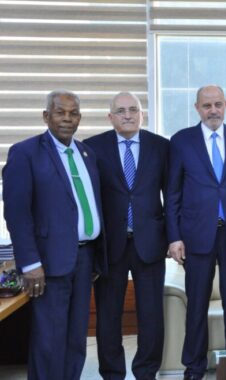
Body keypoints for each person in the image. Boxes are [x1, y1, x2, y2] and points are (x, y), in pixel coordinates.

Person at [3, 90, 105, 380]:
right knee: (49, 340)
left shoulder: (86, 154)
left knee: (76, 338)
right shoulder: (26, 153)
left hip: (85, 259)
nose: (67, 119)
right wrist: (30, 264)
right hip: (48, 263)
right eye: (60, 112)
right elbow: (17, 213)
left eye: (73, 113)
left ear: (80, 118)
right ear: (46, 116)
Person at [166, 85, 226, 380]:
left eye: (217, 104)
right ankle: (194, 366)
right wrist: (174, 236)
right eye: (206, 105)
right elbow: (172, 193)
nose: (213, 110)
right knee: (197, 305)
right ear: (197, 108)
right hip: (196, 235)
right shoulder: (181, 141)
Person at [84, 92, 169, 380]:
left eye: (134, 109)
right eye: (121, 111)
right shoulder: (92, 148)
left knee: (151, 315)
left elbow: (172, 196)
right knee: (108, 315)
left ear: (142, 114)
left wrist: (173, 238)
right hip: (110, 245)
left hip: (150, 243)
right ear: (110, 117)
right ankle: (112, 373)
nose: (128, 115)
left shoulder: (161, 147)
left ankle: (146, 372)